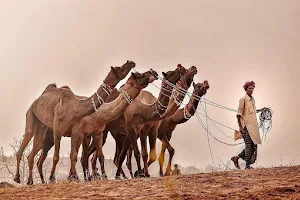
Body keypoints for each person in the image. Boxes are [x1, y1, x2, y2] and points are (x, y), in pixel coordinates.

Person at [231, 81, 266, 169]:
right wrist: (240, 127)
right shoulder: (243, 100)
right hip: (246, 127)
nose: (251, 90)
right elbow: (239, 114)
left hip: (253, 127)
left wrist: (261, 110)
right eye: (249, 88)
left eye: (252, 88)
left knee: (253, 146)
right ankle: (247, 166)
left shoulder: (252, 100)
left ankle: (236, 158)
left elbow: (252, 112)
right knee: (248, 145)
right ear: (246, 89)